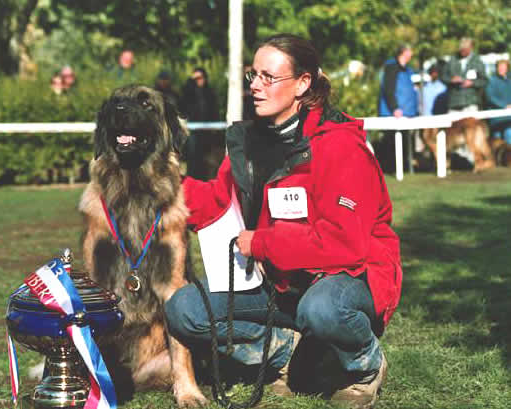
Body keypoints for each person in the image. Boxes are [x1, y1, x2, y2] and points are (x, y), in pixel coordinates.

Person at [165, 33, 402, 409]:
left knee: (321, 309)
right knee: (184, 310)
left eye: (268, 77)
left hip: (348, 276)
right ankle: (289, 354)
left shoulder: (341, 146)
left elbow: (344, 244)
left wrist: (261, 243)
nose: (256, 86)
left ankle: (364, 367)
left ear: (303, 84)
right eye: (253, 76)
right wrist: (161, 186)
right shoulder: (252, 143)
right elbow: (217, 200)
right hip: (280, 282)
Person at [377, 44, 419, 173]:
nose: (411, 54)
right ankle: (388, 169)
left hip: (407, 114)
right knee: (391, 143)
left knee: (405, 142)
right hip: (393, 113)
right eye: (410, 51)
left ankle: (403, 167)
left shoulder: (408, 70)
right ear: (404, 52)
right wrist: (394, 107)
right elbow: (388, 89)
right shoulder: (392, 67)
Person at [178, 67, 220, 180]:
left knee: (207, 160)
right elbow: (182, 108)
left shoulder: (210, 93)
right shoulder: (188, 94)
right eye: (194, 79)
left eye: (200, 78)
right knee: (193, 158)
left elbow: (214, 110)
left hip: (207, 131)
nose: (198, 81)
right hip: (193, 131)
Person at [440, 37, 486, 112]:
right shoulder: (452, 60)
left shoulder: (477, 61)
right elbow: (443, 77)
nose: (463, 52)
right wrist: (451, 80)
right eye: (461, 50)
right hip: (454, 103)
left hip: (471, 103)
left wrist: (472, 83)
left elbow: (484, 80)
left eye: (465, 50)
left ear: (471, 48)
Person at [485, 59, 511, 144]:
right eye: (499, 67)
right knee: (497, 143)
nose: (501, 69)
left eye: (503, 67)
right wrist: (504, 106)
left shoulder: (509, 80)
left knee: (509, 139)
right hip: (496, 119)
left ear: (507, 68)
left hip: (508, 119)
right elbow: (490, 97)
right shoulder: (491, 81)